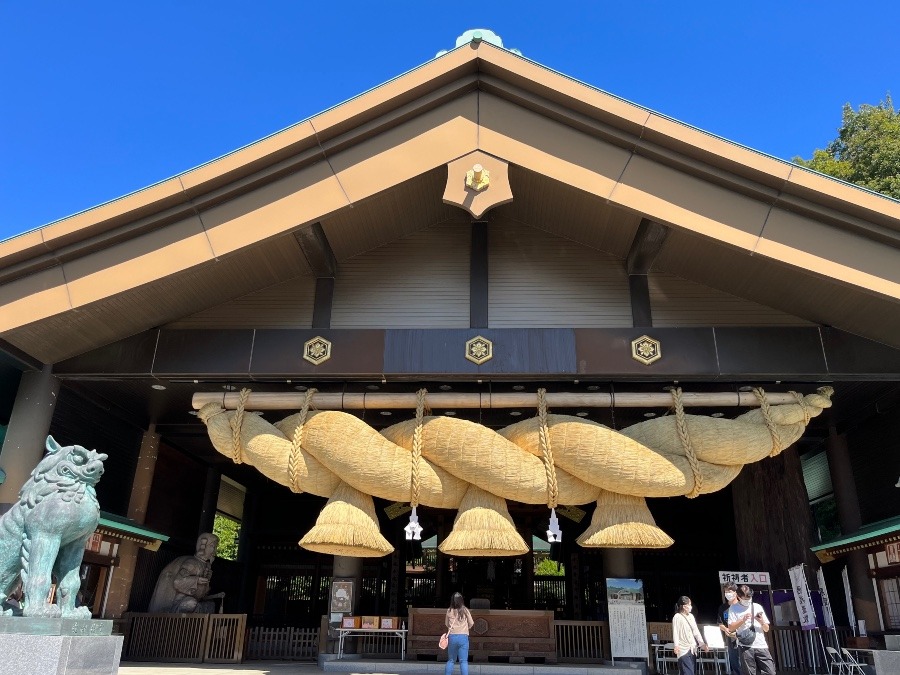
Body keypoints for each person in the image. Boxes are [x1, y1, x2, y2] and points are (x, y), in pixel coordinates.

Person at [727, 585, 775, 675]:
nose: (748, 600)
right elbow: (731, 627)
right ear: (739, 596)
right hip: (745, 645)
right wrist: (742, 620)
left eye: (749, 598)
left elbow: (766, 629)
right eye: (745, 598)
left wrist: (762, 622)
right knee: (749, 672)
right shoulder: (733, 608)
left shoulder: (757, 607)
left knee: (770, 671)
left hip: (761, 644)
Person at [672, 595, 708, 675]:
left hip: (692, 648)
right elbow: (676, 632)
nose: (690, 607)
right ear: (684, 606)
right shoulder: (677, 617)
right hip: (683, 649)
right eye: (689, 604)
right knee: (687, 672)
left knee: (692, 671)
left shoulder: (691, 616)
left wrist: (702, 644)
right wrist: (676, 645)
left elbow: (696, 631)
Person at [444, 592, 474, 675]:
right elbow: (471, 623)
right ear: (461, 600)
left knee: (451, 660)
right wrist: (465, 629)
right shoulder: (465, 610)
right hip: (463, 637)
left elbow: (446, 624)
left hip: (452, 636)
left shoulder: (449, 610)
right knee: (463, 661)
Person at [717, 581, 741, 675]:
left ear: (736, 592)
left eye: (730, 591)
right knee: (735, 664)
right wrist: (725, 629)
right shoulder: (723, 607)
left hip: (743, 639)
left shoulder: (742, 605)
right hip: (730, 639)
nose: (728, 594)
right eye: (726, 592)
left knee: (746, 663)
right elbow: (720, 623)